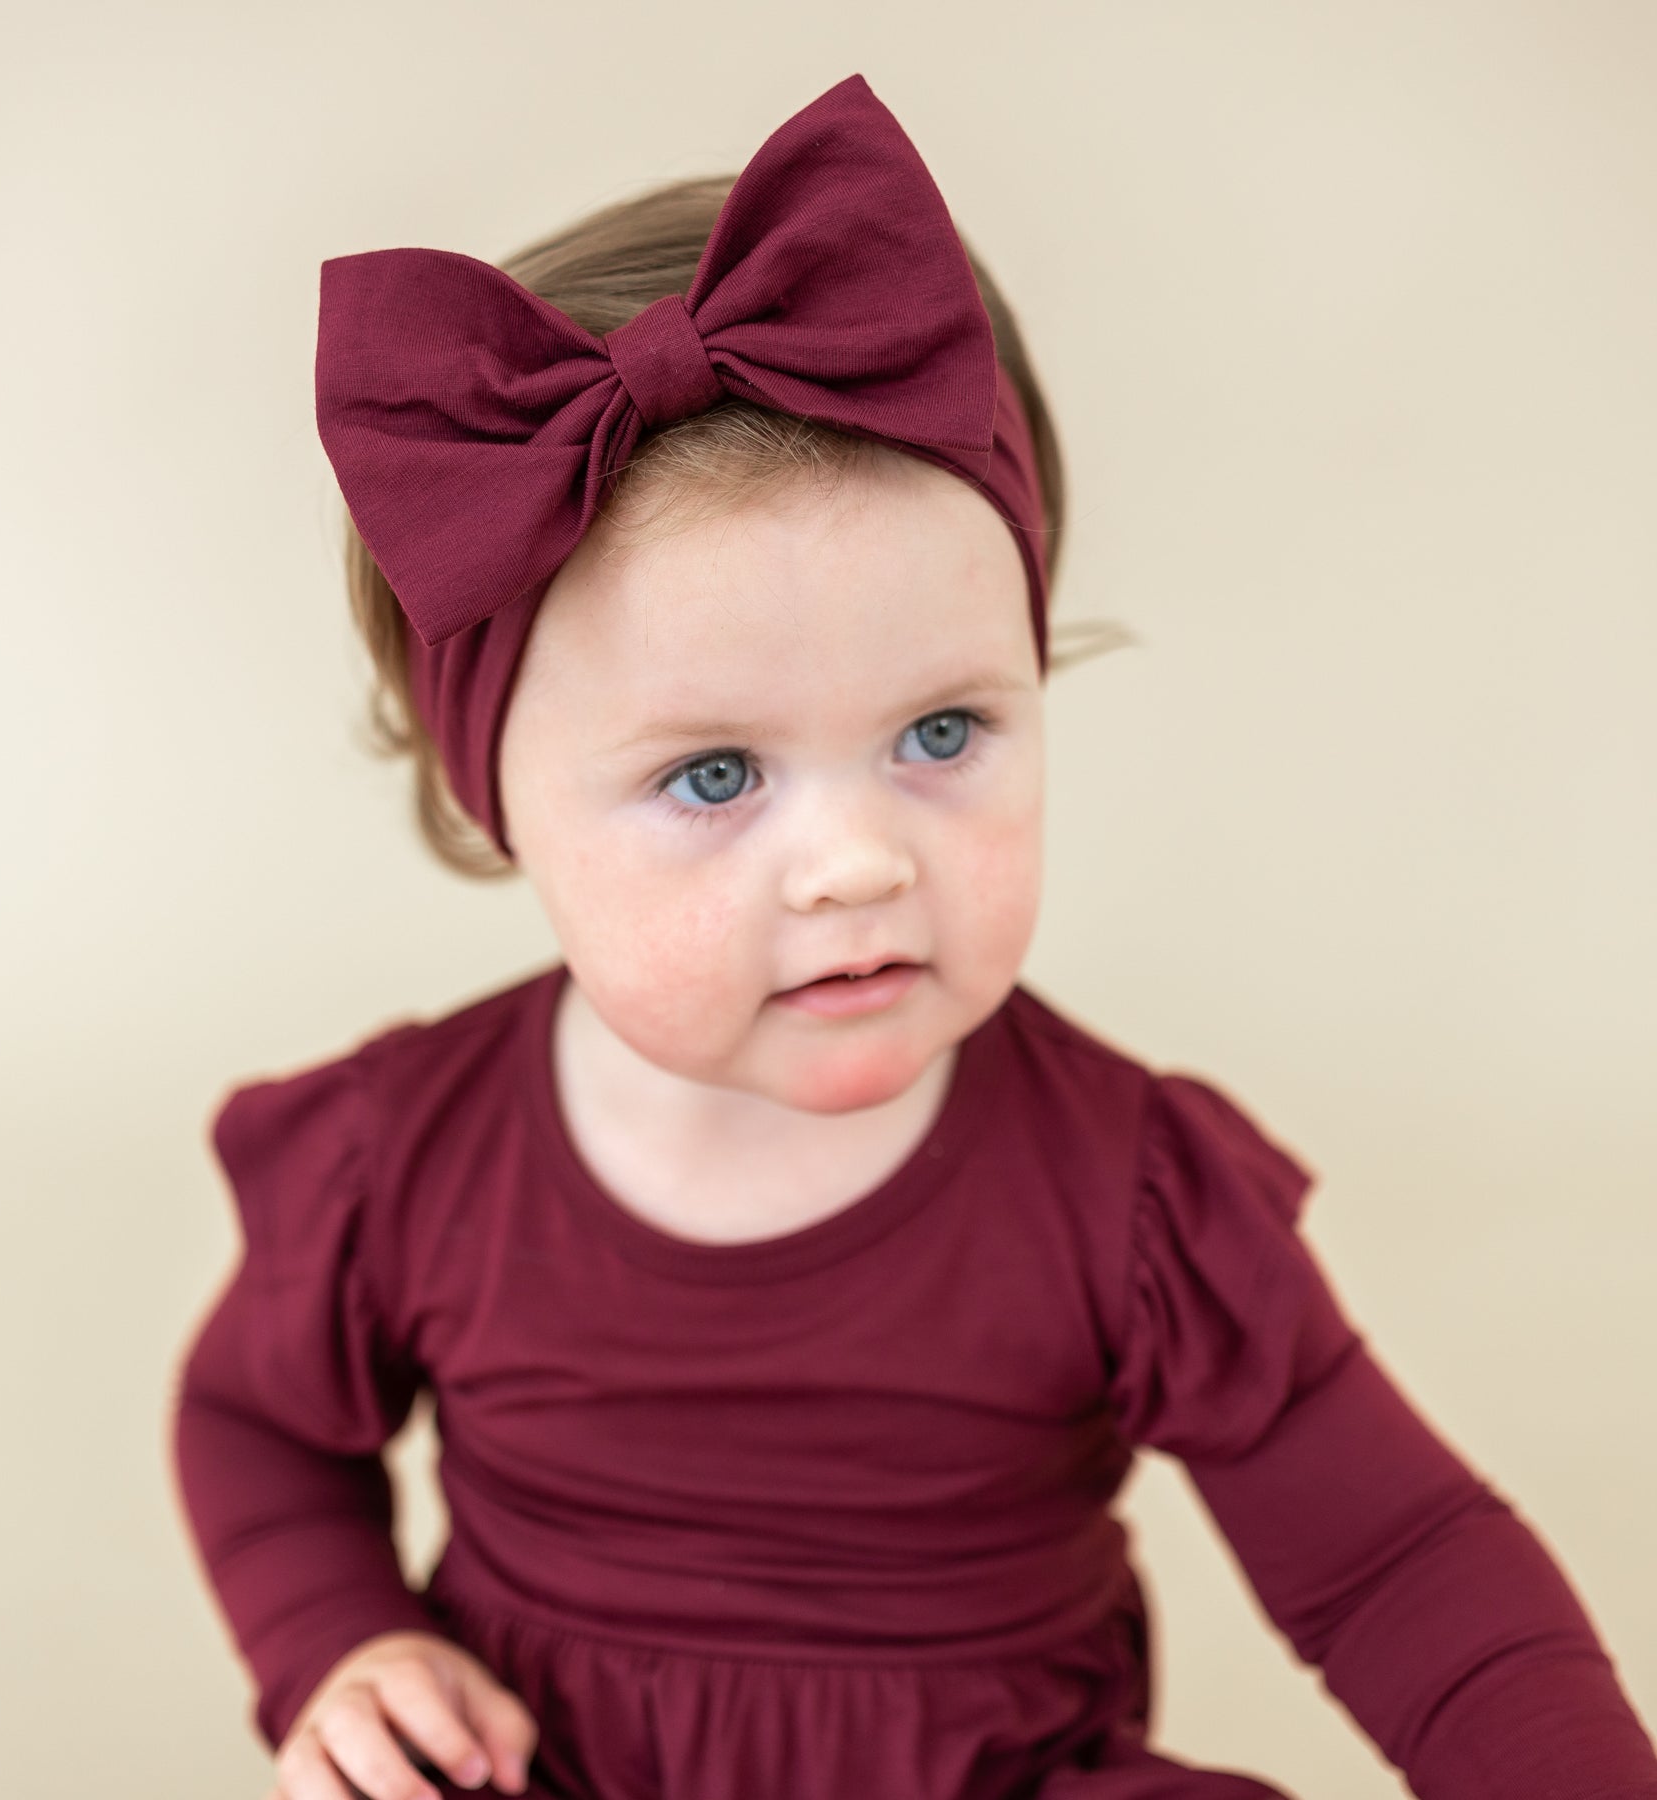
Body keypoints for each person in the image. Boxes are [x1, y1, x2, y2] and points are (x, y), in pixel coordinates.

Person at [167, 74, 1657, 1800]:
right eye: (714, 773)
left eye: (942, 734)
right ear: (500, 798)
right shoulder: (397, 1161)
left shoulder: (1134, 1194)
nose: (856, 864)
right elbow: (257, 1427)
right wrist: (340, 1644)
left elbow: (1403, 1565)